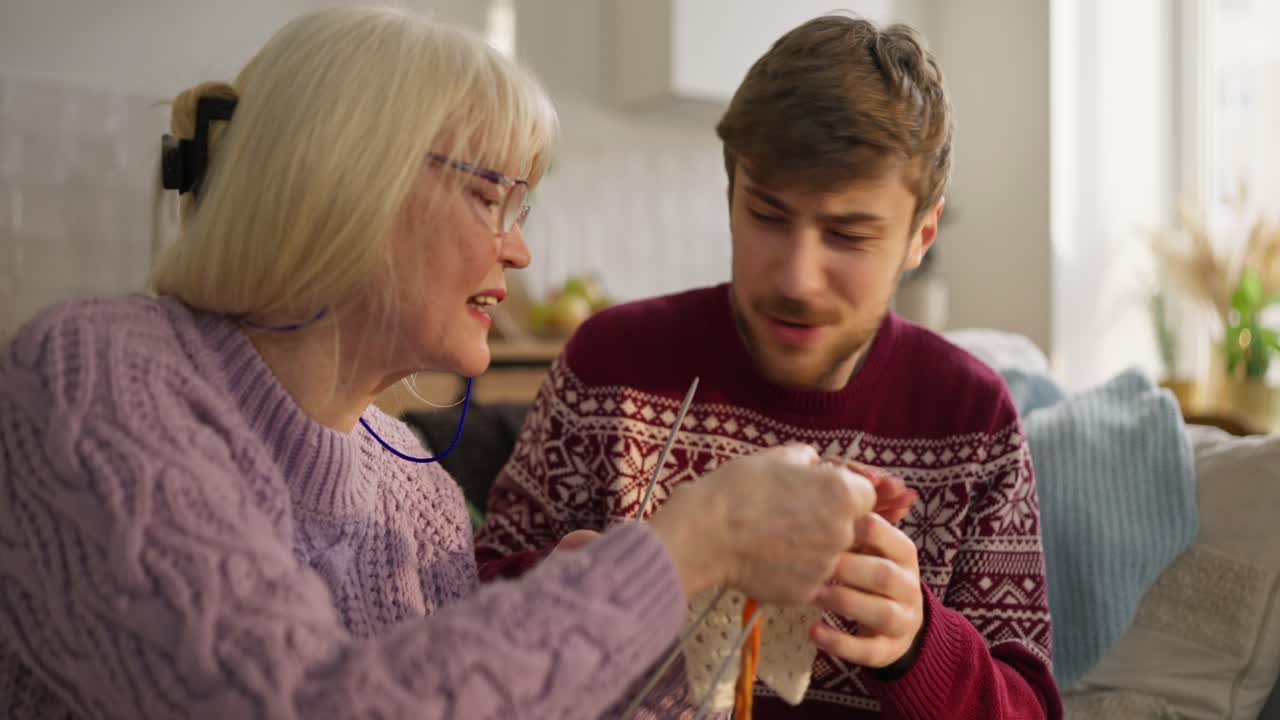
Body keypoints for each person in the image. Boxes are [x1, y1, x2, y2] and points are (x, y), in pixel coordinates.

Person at [0, 8, 884, 719]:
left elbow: (452, 690)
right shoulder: (94, 374)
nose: (519, 251)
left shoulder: (417, 488)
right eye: (490, 196)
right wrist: (688, 547)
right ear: (350, 180)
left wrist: (643, 629)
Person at [475, 14, 1063, 720]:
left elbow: (1029, 707)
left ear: (920, 237)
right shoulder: (611, 368)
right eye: (768, 216)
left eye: (847, 235)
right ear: (729, 197)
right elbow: (463, 616)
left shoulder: (971, 420)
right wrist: (566, 581)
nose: (797, 277)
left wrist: (918, 643)